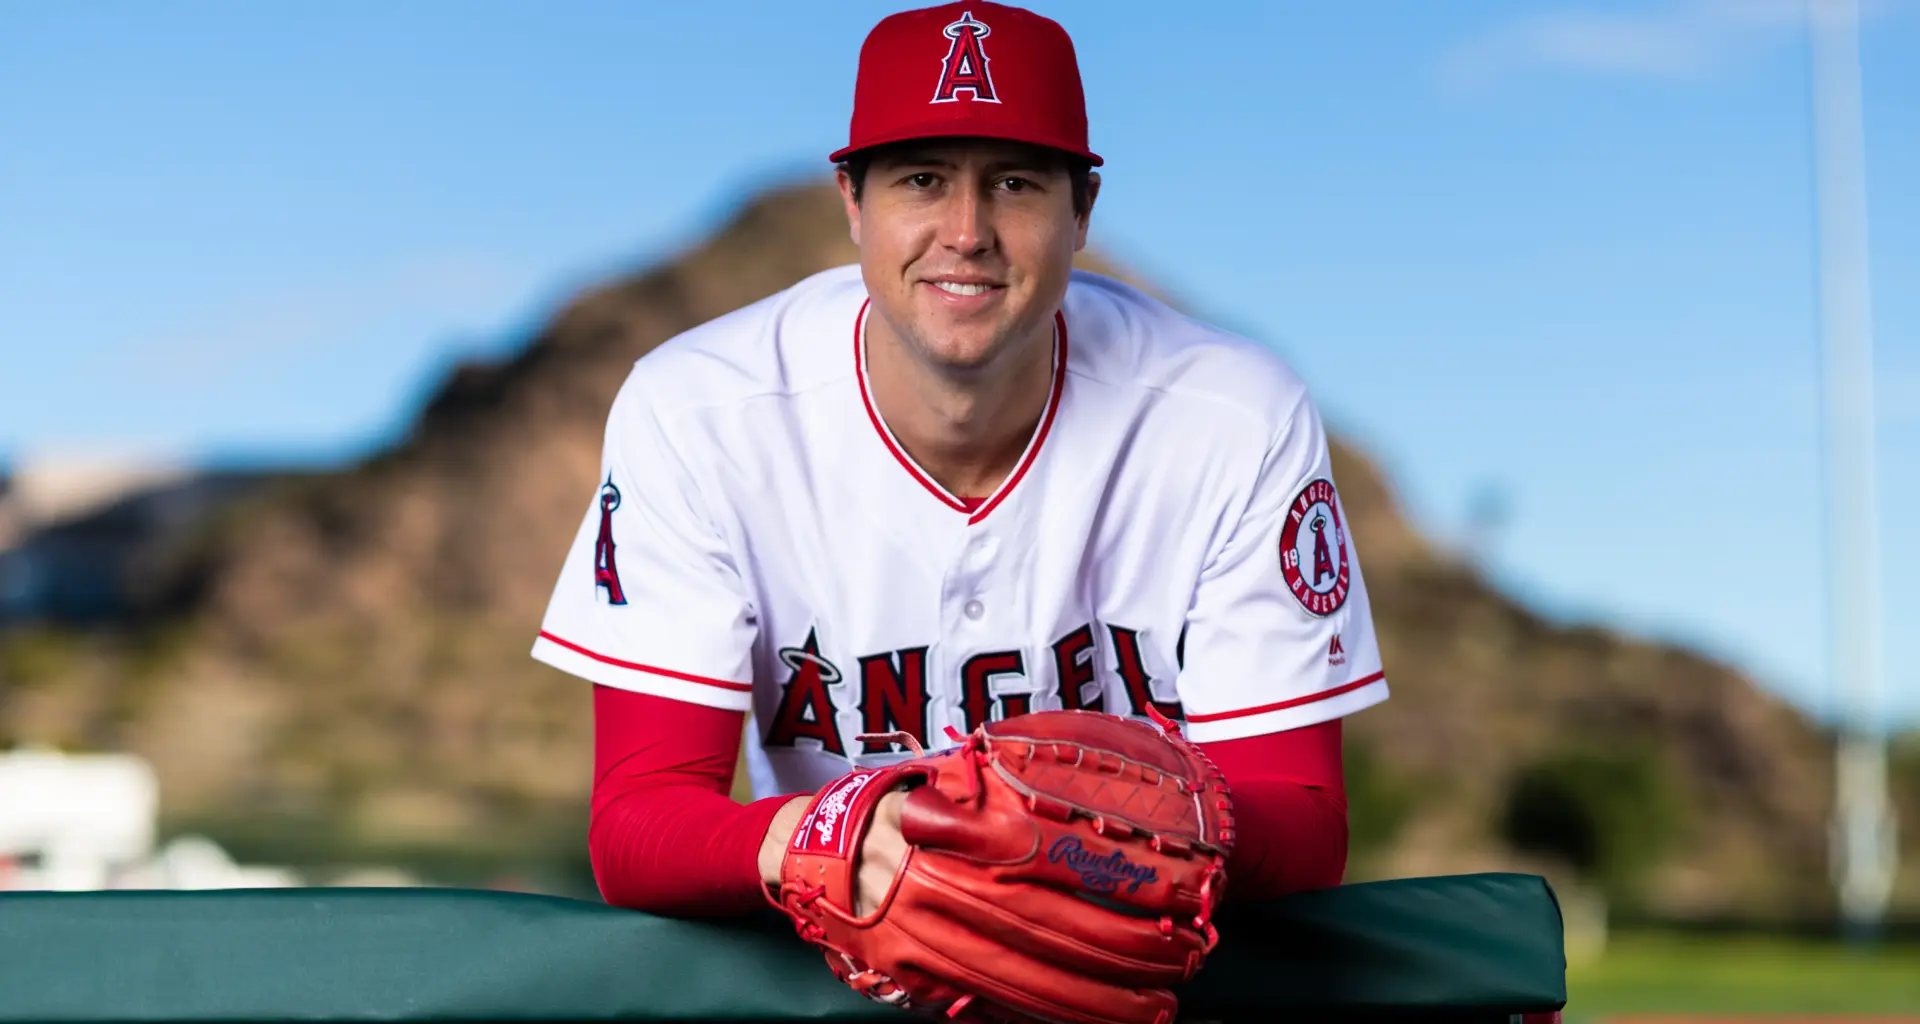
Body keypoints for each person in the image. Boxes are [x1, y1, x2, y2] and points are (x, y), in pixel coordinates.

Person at [531, 0, 1388, 920]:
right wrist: (844, 835)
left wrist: (1090, 841)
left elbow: (1304, 820)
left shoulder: (1233, 418)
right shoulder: (698, 411)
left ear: (1083, 210)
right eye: (923, 180)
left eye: (1015, 183)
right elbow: (638, 824)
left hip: (1141, 967)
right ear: (853, 203)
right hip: (847, 951)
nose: (968, 231)